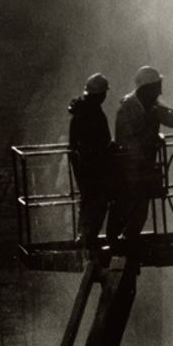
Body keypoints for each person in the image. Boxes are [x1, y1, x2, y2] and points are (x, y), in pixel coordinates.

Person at [106, 65, 173, 246]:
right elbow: (126, 138)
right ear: (147, 87)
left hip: (142, 166)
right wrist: (152, 138)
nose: (160, 88)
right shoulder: (128, 108)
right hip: (128, 166)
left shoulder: (152, 104)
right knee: (124, 203)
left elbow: (171, 117)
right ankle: (113, 240)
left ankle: (129, 238)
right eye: (158, 84)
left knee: (142, 203)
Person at [67, 73, 113, 251]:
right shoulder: (91, 112)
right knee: (97, 200)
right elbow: (97, 140)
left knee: (89, 200)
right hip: (92, 164)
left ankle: (85, 236)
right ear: (99, 94)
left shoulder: (81, 109)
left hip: (84, 163)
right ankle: (88, 237)